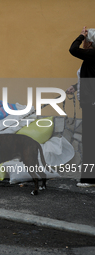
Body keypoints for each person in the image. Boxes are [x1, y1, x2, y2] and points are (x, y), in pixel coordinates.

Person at [67, 26, 95, 187]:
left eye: (85, 41)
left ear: (89, 43)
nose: (83, 43)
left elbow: (72, 49)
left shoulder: (92, 54)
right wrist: (75, 87)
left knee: (90, 142)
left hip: (91, 104)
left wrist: (80, 35)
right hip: (90, 103)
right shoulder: (91, 57)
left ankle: (90, 179)